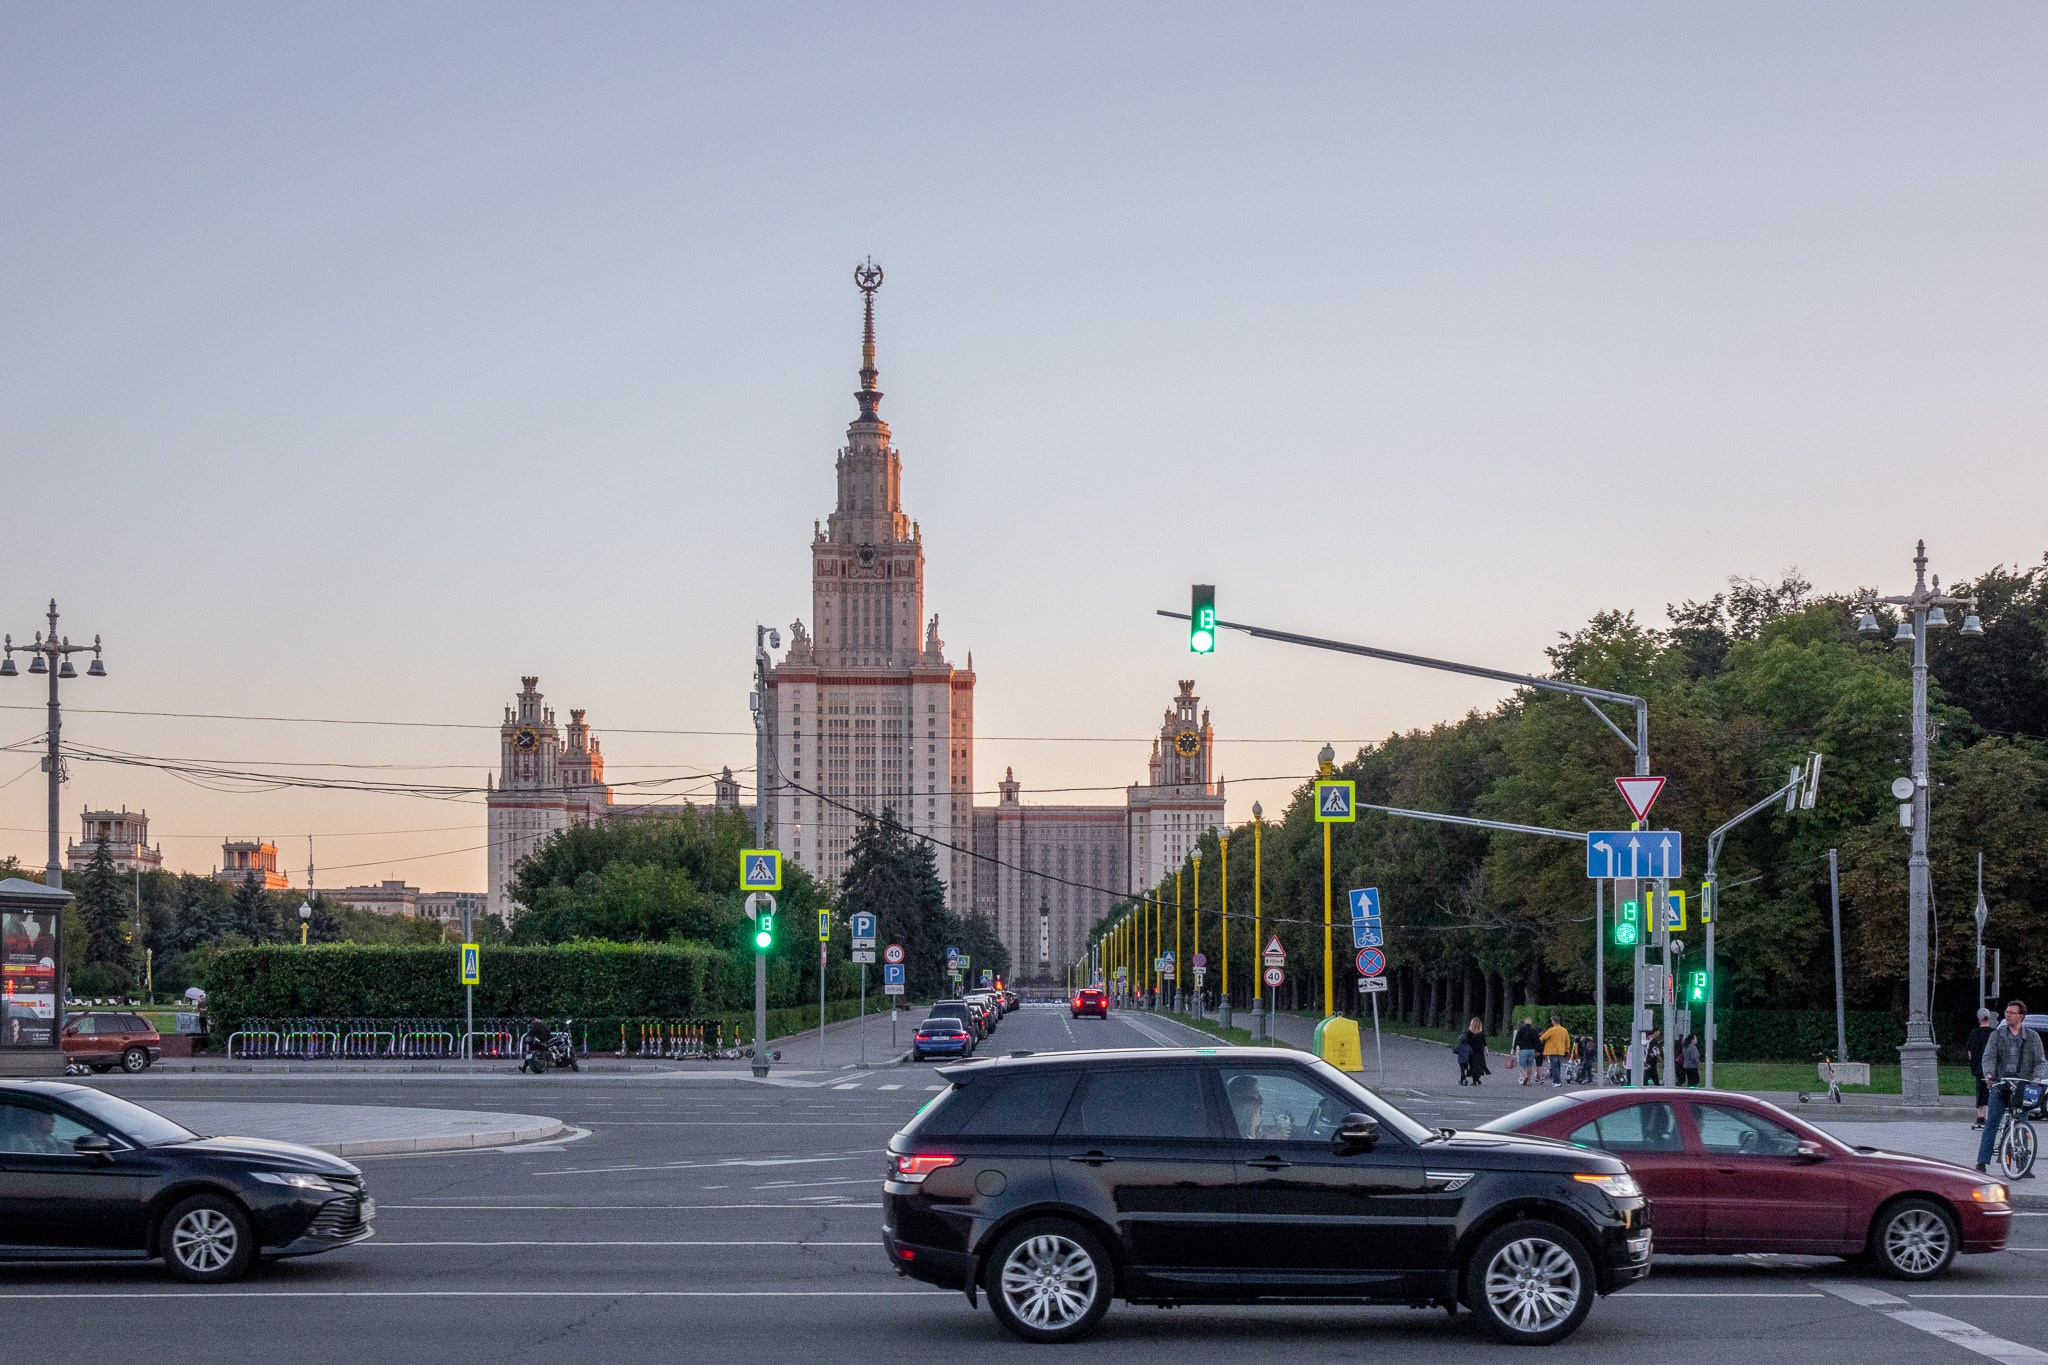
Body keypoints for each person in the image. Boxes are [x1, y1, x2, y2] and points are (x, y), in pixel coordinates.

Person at [1976, 999, 2047, 1175]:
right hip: (2001, 1083)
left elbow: (2040, 1061)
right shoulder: (1997, 1035)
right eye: (2006, 1012)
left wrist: (2037, 1077)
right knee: (1992, 1122)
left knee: (2022, 1121)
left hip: (2021, 1086)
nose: (2007, 1015)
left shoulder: (2032, 1037)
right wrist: (1989, 1074)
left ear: (2021, 1016)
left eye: (2011, 1013)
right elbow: (1989, 1056)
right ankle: (1982, 1162)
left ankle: (2023, 1165)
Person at [1967, 1007, 1996, 1129]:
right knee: (1991, 1090)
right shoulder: (1994, 1033)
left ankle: (1980, 1116)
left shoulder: (1974, 1033)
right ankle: (1988, 1116)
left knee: (1980, 1090)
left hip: (1978, 1068)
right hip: (1992, 1068)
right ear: (1989, 1018)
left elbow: (1970, 1052)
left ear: (1979, 1019)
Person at [1539, 1014, 1572, 1086]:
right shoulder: (1564, 1030)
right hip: (1561, 1051)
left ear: (1553, 1021)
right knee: (1558, 1066)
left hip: (1552, 1050)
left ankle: (1557, 1081)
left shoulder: (1552, 1030)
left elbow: (1543, 1037)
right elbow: (1567, 1041)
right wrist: (1567, 1050)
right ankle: (1558, 1080)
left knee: (1554, 1067)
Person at [1458, 1017, 1491, 1085]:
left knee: (1473, 1065)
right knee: (1479, 1065)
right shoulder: (1481, 1033)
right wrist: (1486, 1050)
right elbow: (1484, 1042)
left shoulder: (1469, 1033)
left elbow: (1467, 1042)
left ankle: (1475, 1080)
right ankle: (1477, 1078)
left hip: (1472, 1051)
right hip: (1480, 1051)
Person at [1513, 1017, 1541, 1085]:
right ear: (1531, 1022)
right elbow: (1537, 1041)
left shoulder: (1521, 1030)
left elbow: (1516, 1040)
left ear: (1525, 1022)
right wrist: (1537, 1050)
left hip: (1523, 1049)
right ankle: (1528, 1081)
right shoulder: (1534, 1030)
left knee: (1521, 1066)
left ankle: (1525, 1076)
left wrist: (1514, 1049)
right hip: (1532, 1050)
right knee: (1530, 1066)